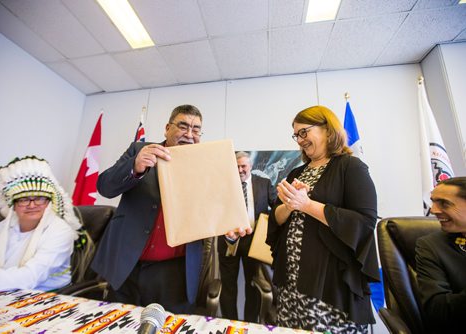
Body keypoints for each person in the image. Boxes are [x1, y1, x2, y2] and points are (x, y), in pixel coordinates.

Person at [91, 104, 250, 314]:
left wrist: (229, 233)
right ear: (167, 128)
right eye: (183, 126)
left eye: (196, 129)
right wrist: (134, 167)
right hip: (127, 264)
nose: (190, 135)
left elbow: (215, 212)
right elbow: (105, 187)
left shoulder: (207, 164)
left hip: (175, 272)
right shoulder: (139, 150)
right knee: (118, 323)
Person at [266, 105, 379, 333]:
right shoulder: (296, 173)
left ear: (328, 130)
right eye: (296, 135)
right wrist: (289, 205)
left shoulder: (351, 167)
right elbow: (276, 219)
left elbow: (364, 221)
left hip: (330, 283)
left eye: (304, 132)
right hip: (291, 280)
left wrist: (307, 205)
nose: (299, 140)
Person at [0, 156, 80, 294]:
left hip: (45, 297)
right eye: (24, 199)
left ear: (49, 202)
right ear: (14, 204)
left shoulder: (61, 231)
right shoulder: (3, 226)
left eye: (39, 198)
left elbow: (29, 277)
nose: (32, 205)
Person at [217, 151, 276, 322]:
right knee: (228, 288)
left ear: (250, 166)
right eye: (236, 166)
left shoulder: (264, 183)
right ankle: (230, 324)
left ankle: (250, 324)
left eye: (243, 166)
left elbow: (277, 208)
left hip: (255, 244)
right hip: (229, 242)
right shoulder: (224, 186)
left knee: (253, 287)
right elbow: (215, 212)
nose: (240, 170)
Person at [415, 177, 466, 333]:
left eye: (444, 203)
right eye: (433, 202)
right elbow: (438, 311)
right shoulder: (431, 246)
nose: (434, 210)